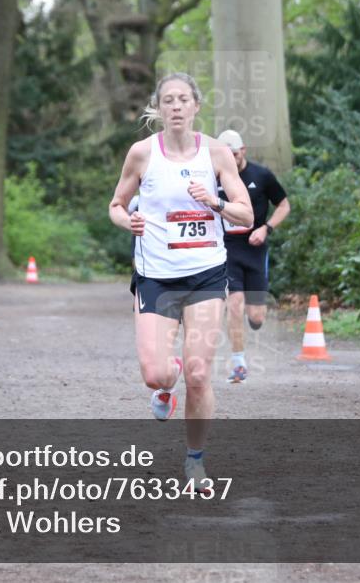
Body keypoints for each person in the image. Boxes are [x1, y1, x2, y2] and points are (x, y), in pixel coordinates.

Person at [109, 73, 253, 491]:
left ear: (195, 107)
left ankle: (195, 461)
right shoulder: (141, 154)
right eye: (167, 100)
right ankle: (163, 385)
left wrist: (216, 203)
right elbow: (116, 205)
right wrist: (128, 221)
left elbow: (246, 215)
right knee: (157, 374)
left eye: (183, 99)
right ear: (159, 107)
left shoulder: (217, 154)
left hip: (206, 272)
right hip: (155, 275)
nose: (175, 106)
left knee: (199, 373)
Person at [216, 130, 290, 383]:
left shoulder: (261, 175)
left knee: (256, 316)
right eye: (226, 155)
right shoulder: (214, 176)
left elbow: (284, 205)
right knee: (233, 304)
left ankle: (255, 320)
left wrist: (266, 228)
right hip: (227, 250)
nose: (231, 159)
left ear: (243, 150)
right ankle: (238, 363)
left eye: (235, 154)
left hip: (256, 249)